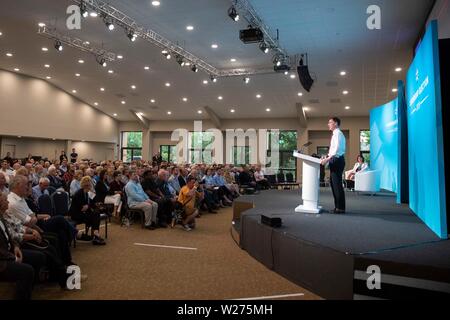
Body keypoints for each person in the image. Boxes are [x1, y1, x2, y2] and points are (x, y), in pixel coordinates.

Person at [0, 193, 46, 300]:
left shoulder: (2, 216)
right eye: (5, 201)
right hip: (2, 261)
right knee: (27, 271)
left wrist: (15, 247)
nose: (8, 202)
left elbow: (9, 236)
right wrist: (13, 258)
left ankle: (28, 290)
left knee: (39, 257)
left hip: (10, 251)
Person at [69, 176, 106, 245]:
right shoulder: (79, 194)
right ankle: (96, 235)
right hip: (76, 214)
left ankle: (95, 234)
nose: (92, 186)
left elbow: (89, 205)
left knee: (96, 214)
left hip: (82, 213)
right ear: (87, 185)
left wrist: (92, 205)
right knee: (95, 215)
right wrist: (89, 206)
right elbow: (83, 208)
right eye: (90, 185)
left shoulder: (86, 193)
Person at [321, 117, 346, 214]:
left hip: (337, 160)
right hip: (335, 159)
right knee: (334, 184)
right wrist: (326, 157)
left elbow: (336, 150)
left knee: (337, 185)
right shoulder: (335, 134)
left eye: (330, 122)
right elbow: (332, 150)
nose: (328, 124)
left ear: (335, 123)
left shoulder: (338, 133)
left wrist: (327, 159)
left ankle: (340, 208)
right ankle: (338, 207)